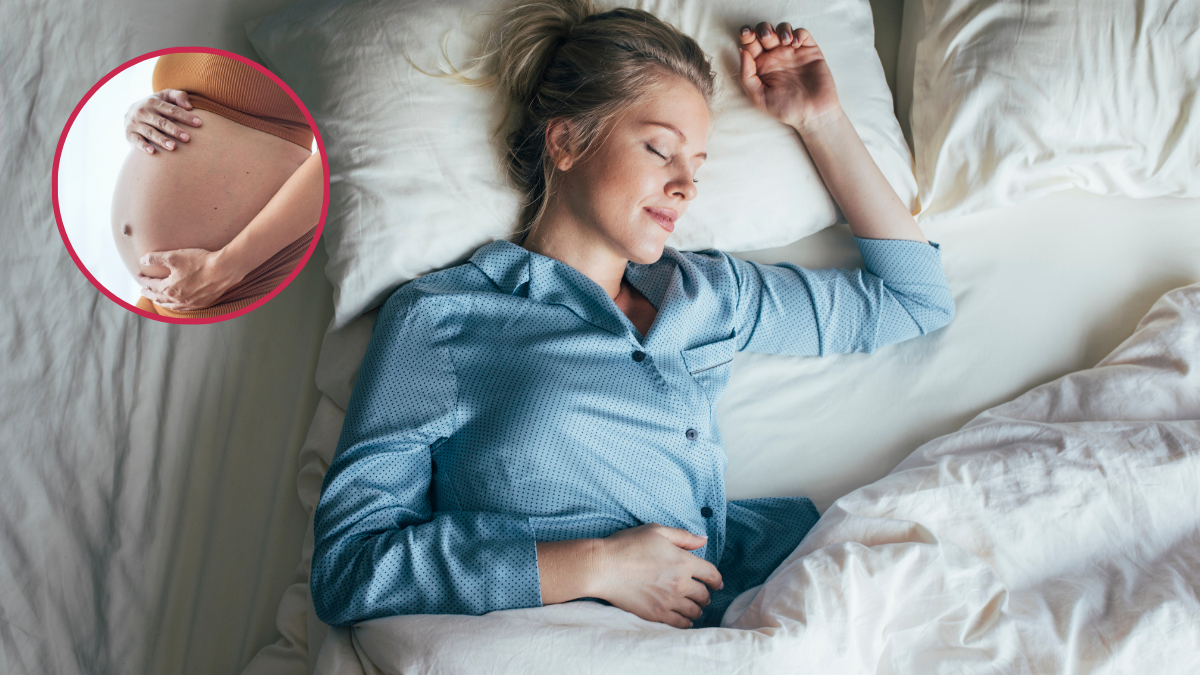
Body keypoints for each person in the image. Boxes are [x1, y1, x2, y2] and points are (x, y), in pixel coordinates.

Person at [310, 0, 955, 630]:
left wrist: (821, 121)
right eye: (658, 149)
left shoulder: (708, 295)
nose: (686, 186)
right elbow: (349, 568)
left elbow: (915, 300)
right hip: (558, 640)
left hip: (744, 608)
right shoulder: (444, 318)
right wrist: (596, 565)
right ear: (567, 141)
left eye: (696, 166)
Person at [113, 52, 323, 318]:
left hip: (236, 282)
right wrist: (136, 112)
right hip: (161, 298)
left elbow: (347, 148)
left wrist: (224, 267)